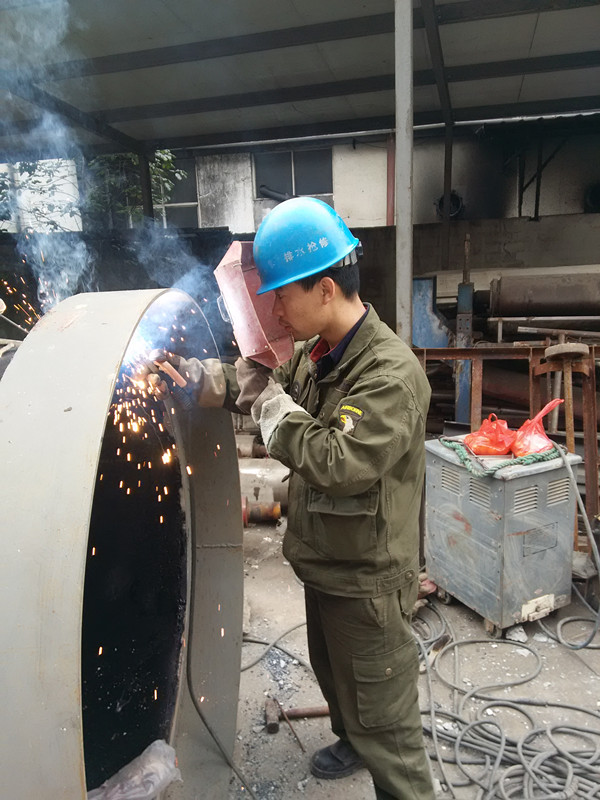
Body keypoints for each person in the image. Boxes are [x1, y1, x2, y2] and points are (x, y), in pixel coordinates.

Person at [146, 197, 434, 800]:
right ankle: (352, 738)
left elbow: (339, 463)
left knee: (388, 724)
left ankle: (384, 760)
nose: (274, 309)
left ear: (325, 289)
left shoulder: (390, 375)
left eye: (281, 295)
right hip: (327, 561)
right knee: (336, 678)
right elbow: (260, 382)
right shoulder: (316, 352)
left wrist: (271, 404)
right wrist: (200, 378)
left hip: (367, 579)